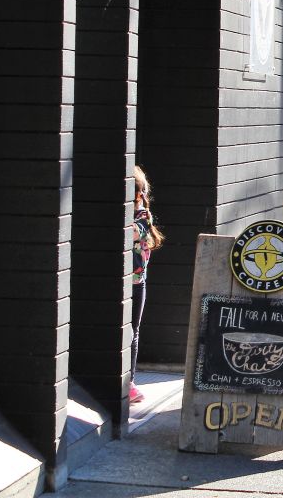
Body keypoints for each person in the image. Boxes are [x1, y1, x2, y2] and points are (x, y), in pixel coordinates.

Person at [130, 165, 164, 404]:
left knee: (133, 331)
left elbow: (130, 233)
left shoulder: (142, 217)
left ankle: (129, 381)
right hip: (127, 282)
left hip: (136, 282)